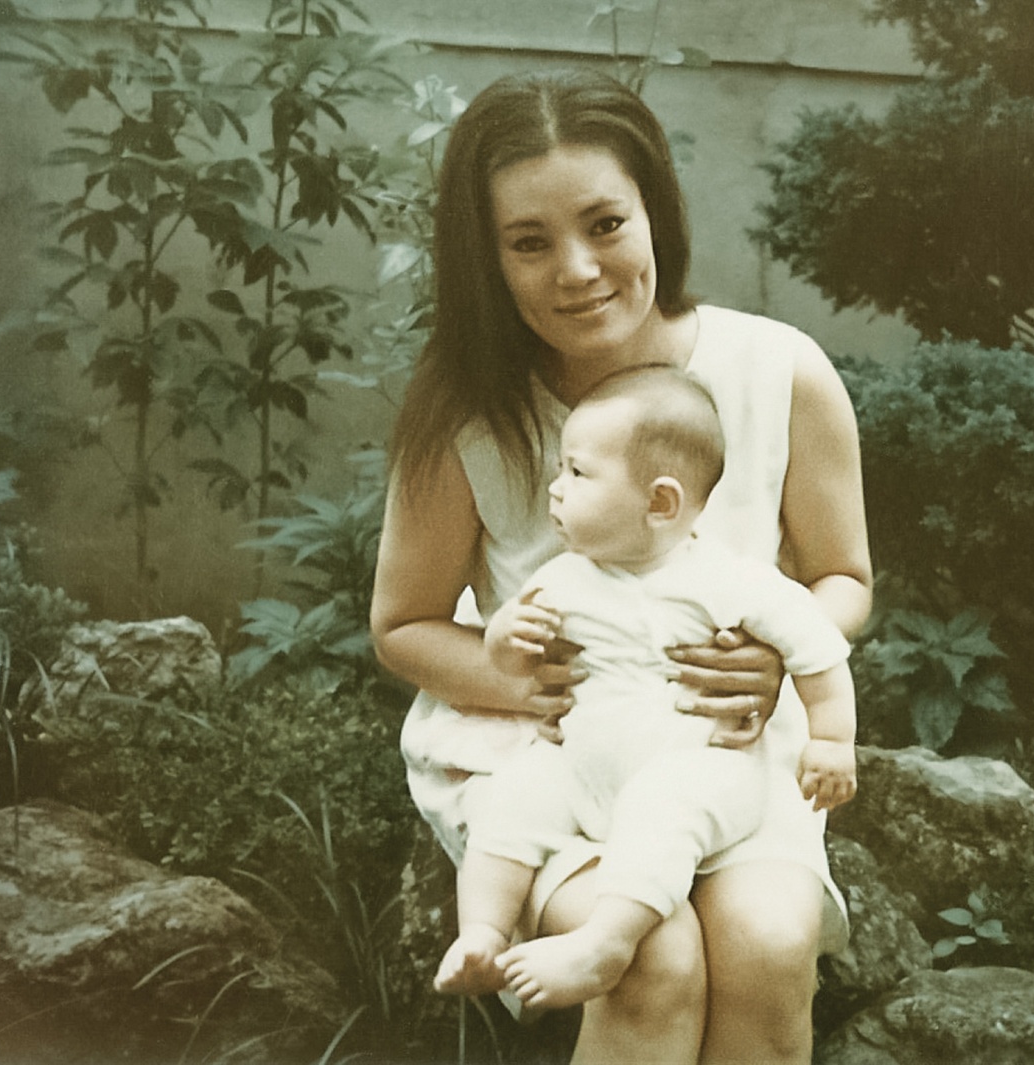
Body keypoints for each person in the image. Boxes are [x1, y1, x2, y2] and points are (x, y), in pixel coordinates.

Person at [370, 66, 872, 1065]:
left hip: (721, 753)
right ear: (485, 256)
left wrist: (779, 665)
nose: (575, 269)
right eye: (528, 242)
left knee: (770, 946)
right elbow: (403, 624)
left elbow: (842, 577)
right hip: (551, 756)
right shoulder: (470, 408)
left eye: (604, 224)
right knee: (651, 960)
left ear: (655, 214)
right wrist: (513, 678)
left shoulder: (775, 371)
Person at [434, 365, 858, 1013]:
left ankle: (606, 940)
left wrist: (830, 740)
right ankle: (483, 934)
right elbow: (510, 660)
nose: (555, 489)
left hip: (699, 767)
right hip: (578, 763)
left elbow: (819, 652)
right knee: (512, 801)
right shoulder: (565, 577)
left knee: (660, 814)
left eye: (578, 473)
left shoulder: (730, 580)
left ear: (660, 503)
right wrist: (507, 637)